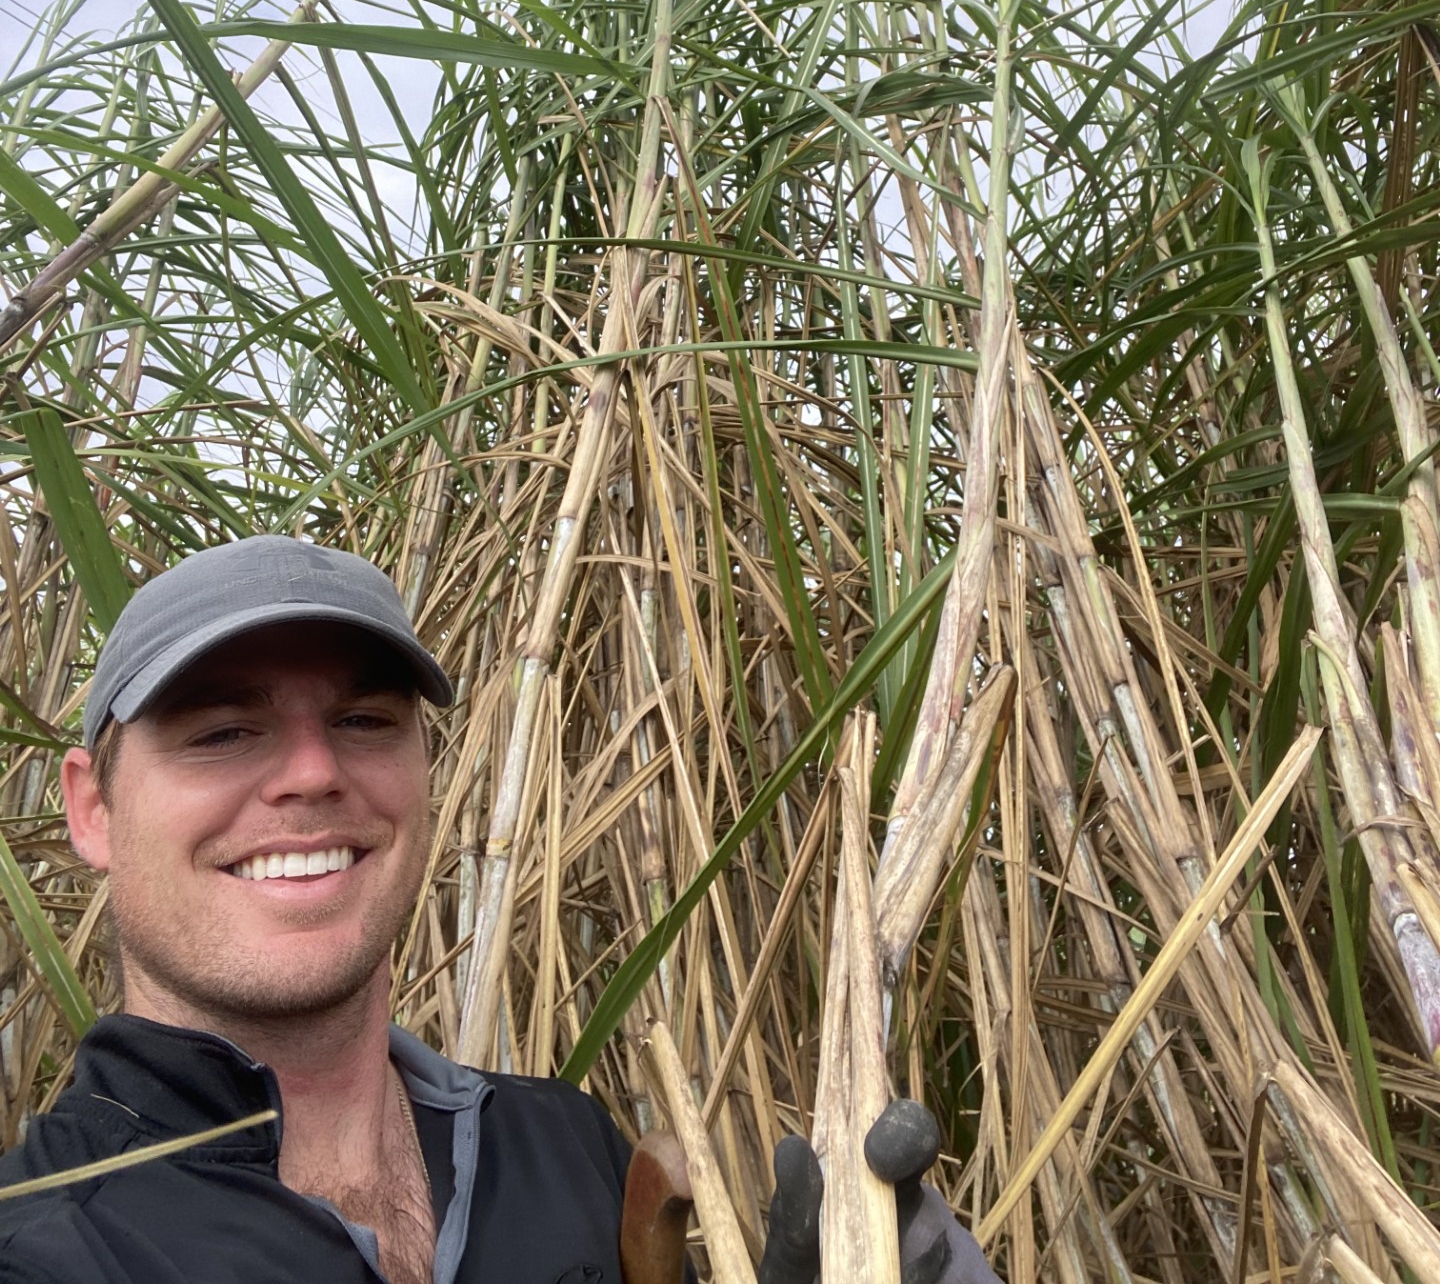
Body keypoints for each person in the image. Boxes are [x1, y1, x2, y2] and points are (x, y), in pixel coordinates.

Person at [0, 535, 997, 1284]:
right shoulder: (44, 1243)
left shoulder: (566, 1148)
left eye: (364, 720)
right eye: (221, 731)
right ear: (92, 808)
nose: (311, 771)